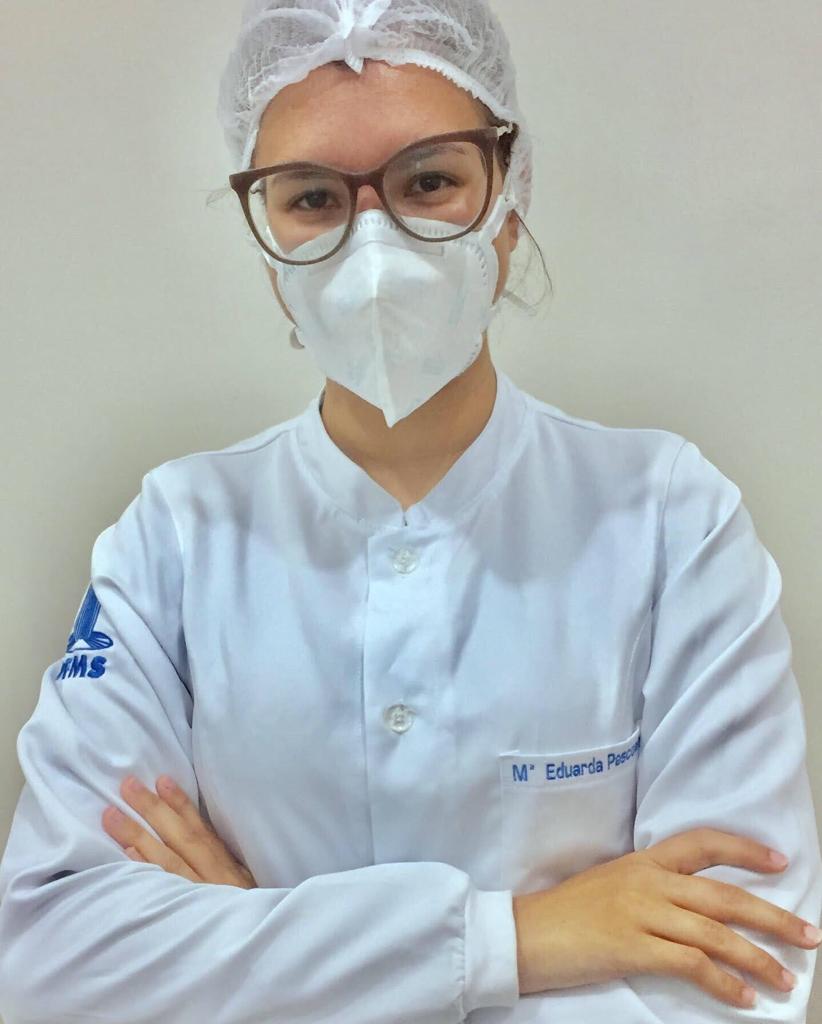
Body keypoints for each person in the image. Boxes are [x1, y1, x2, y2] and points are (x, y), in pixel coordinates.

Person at [0, 1, 820, 1021]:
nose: (374, 243)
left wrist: (255, 948)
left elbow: (743, 971)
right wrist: (521, 938)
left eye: (429, 180)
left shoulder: (670, 520)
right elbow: (49, 958)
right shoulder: (175, 536)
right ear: (271, 253)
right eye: (312, 197)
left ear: (508, 204)